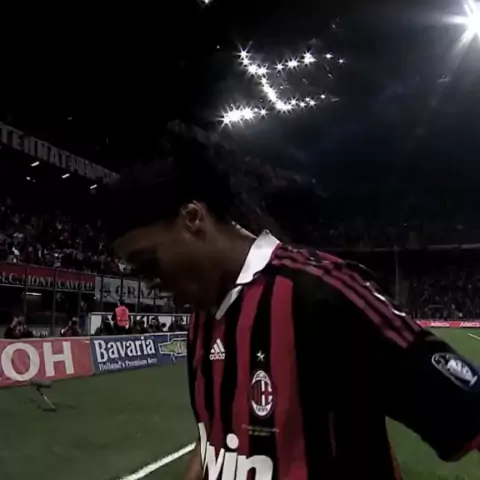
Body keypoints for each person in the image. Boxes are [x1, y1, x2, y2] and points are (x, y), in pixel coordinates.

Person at [103, 147, 480, 479]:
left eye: (148, 263)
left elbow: (467, 410)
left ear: (193, 219)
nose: (150, 283)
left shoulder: (321, 293)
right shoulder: (202, 317)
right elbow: (215, 440)